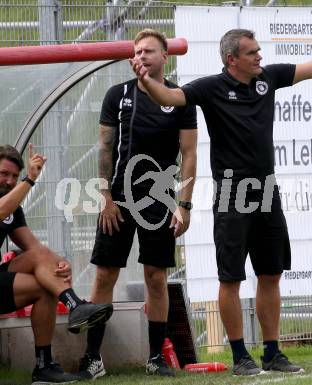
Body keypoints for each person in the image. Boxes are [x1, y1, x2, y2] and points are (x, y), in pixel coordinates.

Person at [130, 28, 312, 375]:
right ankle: (240, 355)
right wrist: (146, 81)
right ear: (232, 59)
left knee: (271, 273)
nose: (260, 57)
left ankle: (273, 353)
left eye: (259, 51)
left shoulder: (267, 79)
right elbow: (170, 98)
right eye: (252, 53)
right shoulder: (210, 87)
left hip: (267, 192)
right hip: (232, 194)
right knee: (230, 279)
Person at [78, 29, 197, 379]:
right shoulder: (119, 94)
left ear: (164, 57)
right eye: (137, 51)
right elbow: (104, 148)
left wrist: (184, 204)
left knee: (156, 277)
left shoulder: (179, 97)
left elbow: (189, 154)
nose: (141, 56)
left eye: (149, 51)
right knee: (104, 275)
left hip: (159, 200)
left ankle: (156, 358)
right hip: (117, 199)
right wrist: (106, 198)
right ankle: (91, 358)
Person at [0, 144, 113, 384]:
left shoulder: (13, 208)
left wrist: (59, 264)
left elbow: (34, 249)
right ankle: (75, 305)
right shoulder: (6, 205)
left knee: (47, 281)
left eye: (14, 176)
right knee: (46, 280)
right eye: (4, 174)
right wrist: (30, 179)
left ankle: (45, 364)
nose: (9, 181)